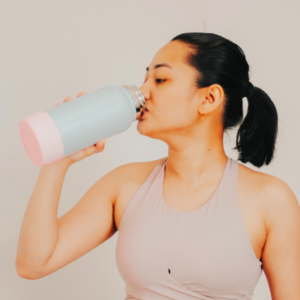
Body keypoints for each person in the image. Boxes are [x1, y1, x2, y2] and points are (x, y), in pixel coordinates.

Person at [16, 32, 300, 300]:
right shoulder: (125, 184)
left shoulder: (271, 200)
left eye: (160, 79)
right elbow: (33, 264)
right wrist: (57, 160)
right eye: (145, 78)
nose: (143, 91)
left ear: (209, 98)